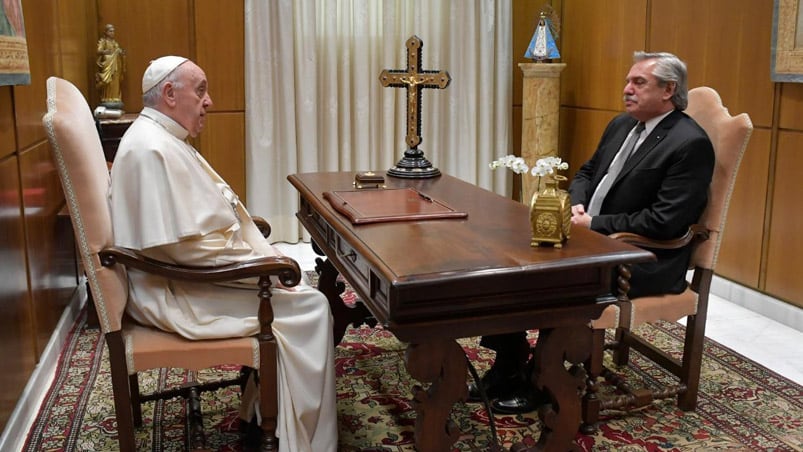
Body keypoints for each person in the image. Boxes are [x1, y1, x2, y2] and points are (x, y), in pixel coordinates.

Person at [108, 56, 337, 451]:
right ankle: (305, 440)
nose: (209, 101)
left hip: (182, 278)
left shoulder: (160, 137)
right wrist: (260, 267)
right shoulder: (151, 150)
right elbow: (181, 250)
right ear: (169, 93)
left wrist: (258, 256)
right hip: (175, 293)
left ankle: (268, 413)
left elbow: (190, 239)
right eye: (200, 91)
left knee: (296, 292)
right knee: (313, 307)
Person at [469, 51, 715, 415]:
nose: (626, 89)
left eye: (638, 83)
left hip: (641, 258)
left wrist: (596, 225)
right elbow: (586, 173)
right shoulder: (621, 124)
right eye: (628, 81)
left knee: (547, 279)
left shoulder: (689, 143)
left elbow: (665, 222)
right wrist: (576, 206)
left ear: (669, 90)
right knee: (510, 261)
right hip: (591, 238)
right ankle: (508, 365)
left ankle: (544, 380)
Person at [95, 24, 125, 109]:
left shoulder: (115, 43)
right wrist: (107, 52)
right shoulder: (103, 41)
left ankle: (115, 98)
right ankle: (107, 98)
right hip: (108, 65)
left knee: (115, 82)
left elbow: (118, 52)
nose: (112, 33)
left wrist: (120, 53)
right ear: (106, 32)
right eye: (110, 31)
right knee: (108, 83)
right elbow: (98, 51)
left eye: (113, 31)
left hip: (115, 66)